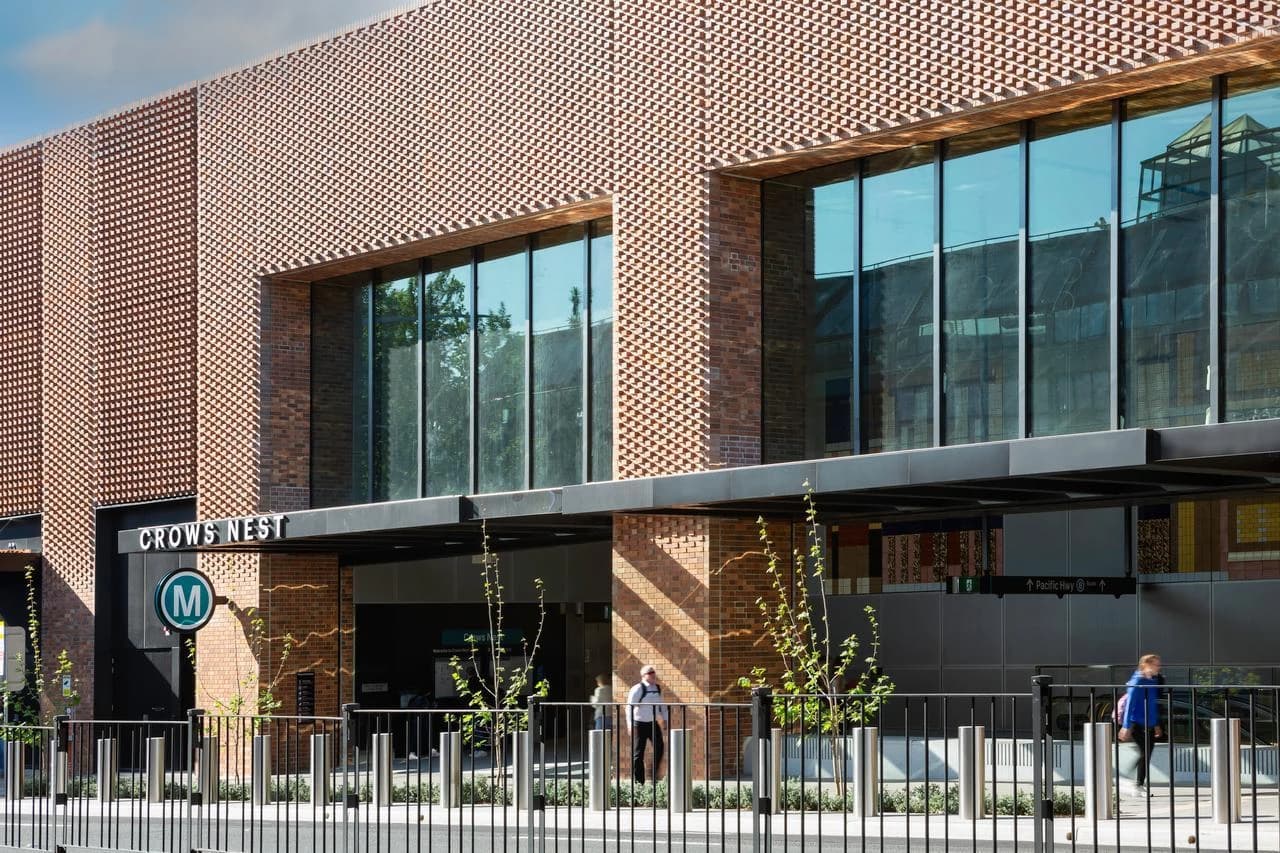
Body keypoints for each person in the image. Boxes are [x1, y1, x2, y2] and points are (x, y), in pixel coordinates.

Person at [1118, 653, 1163, 795]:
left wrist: (1156, 724)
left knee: (1147, 753)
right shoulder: (1137, 680)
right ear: (1146, 665)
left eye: (1158, 664)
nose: (1158, 667)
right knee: (1145, 752)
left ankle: (1136, 783)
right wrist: (1126, 726)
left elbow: (1152, 705)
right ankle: (1134, 782)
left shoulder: (1152, 681)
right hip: (1135, 722)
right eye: (1155, 664)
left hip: (1148, 722)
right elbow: (1130, 704)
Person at [627, 664, 667, 784]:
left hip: (653, 723)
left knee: (659, 747)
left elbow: (662, 705)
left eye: (653, 672)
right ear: (643, 676)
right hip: (639, 724)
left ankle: (653, 774)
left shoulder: (657, 688)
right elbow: (629, 707)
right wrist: (630, 724)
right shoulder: (638, 689)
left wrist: (664, 719)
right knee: (639, 753)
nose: (653, 674)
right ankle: (639, 781)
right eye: (650, 672)